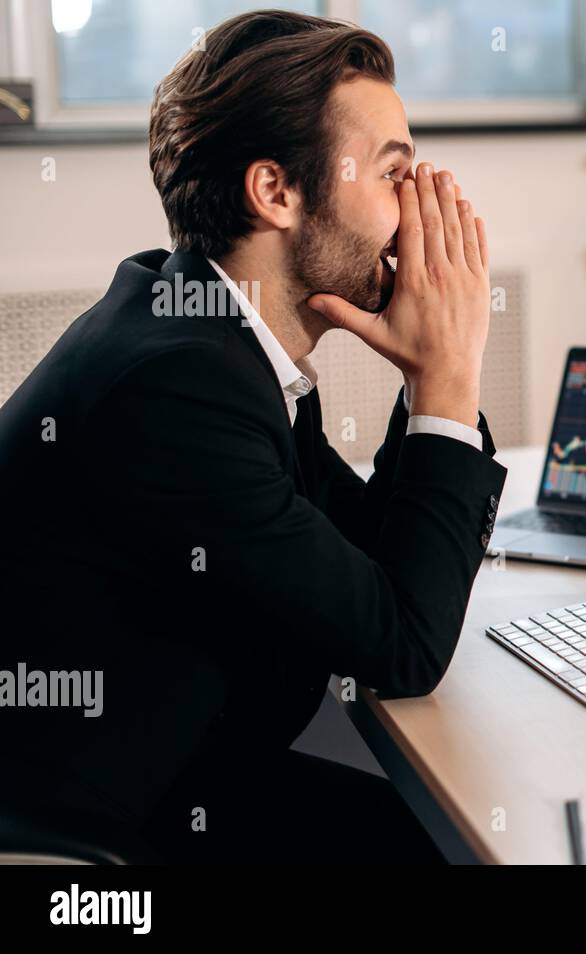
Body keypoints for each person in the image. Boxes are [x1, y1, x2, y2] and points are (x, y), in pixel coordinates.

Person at [0, 11, 503, 864]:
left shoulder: (215, 336)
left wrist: (433, 380)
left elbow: (367, 561)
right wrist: (447, 379)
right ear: (275, 192)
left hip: (187, 786)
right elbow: (401, 645)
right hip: (93, 843)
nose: (419, 213)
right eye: (394, 175)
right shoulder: (176, 384)